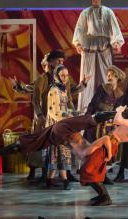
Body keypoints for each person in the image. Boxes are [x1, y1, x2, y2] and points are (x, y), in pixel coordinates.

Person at [10, 50, 89, 182]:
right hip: (45, 117)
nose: (61, 63)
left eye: (62, 61)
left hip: (62, 117)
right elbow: (33, 95)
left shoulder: (65, 77)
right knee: (40, 144)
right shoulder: (43, 79)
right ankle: (35, 171)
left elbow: (71, 93)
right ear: (50, 62)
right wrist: (40, 115)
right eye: (58, 61)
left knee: (65, 144)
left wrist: (83, 85)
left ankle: (66, 173)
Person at [73, 0, 124, 113]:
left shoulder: (108, 12)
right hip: (89, 49)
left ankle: (107, 109)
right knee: (87, 79)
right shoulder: (85, 13)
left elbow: (114, 28)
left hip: (104, 48)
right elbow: (79, 29)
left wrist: (117, 42)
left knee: (107, 77)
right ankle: (85, 111)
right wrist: (78, 43)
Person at [84, 65, 125, 184]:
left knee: (107, 151)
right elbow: (93, 104)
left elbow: (118, 110)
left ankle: (103, 175)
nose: (108, 77)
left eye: (111, 75)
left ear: (117, 77)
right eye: (107, 75)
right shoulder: (102, 88)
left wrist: (118, 123)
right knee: (96, 150)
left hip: (109, 125)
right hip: (98, 123)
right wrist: (87, 117)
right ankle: (93, 175)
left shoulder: (120, 94)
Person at [45, 65, 76, 190]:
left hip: (63, 124)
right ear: (57, 76)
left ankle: (50, 179)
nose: (65, 78)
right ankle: (65, 180)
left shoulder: (62, 89)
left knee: (59, 153)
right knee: (59, 152)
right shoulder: (54, 90)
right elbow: (53, 111)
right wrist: (66, 116)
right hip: (57, 125)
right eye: (62, 75)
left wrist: (72, 113)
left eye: (66, 75)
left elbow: (64, 107)